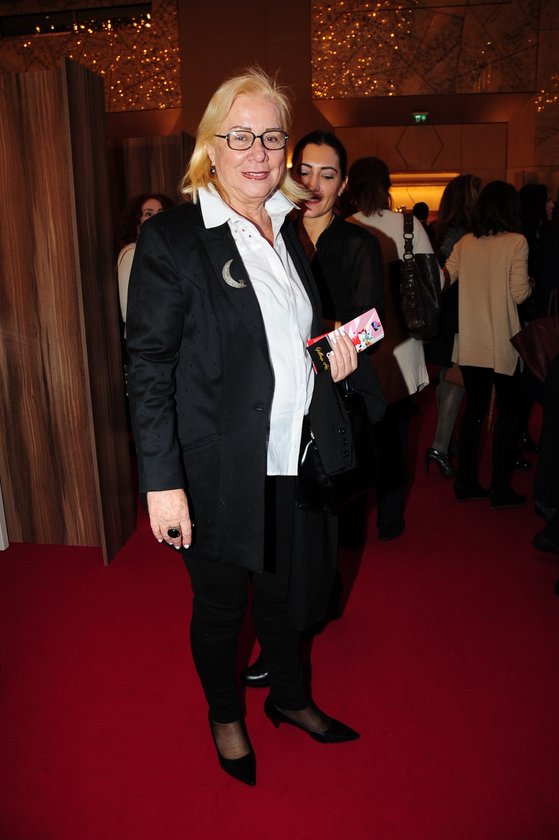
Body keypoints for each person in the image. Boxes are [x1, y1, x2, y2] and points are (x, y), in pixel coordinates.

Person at [126, 68, 361, 788]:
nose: (258, 152)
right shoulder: (173, 238)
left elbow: (282, 334)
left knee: (286, 597)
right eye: (240, 136)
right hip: (216, 468)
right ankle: (225, 715)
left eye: (271, 136)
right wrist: (162, 483)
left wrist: (326, 351)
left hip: (295, 453)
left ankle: (288, 697)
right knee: (224, 607)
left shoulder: (286, 228)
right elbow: (149, 367)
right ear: (210, 146)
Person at [242, 130, 386, 689]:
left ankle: (292, 640)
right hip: (269, 402)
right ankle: (282, 635)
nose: (313, 184)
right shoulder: (268, 233)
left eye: (328, 174)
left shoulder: (358, 244)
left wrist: (306, 344)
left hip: (327, 401)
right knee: (271, 527)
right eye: (303, 171)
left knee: (311, 525)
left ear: (344, 184)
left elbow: (367, 328)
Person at [345, 156, 442, 540]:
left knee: (355, 441)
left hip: (357, 353)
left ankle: (353, 525)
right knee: (396, 441)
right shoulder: (408, 226)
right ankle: (389, 521)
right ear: (387, 186)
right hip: (401, 352)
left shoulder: (343, 228)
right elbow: (434, 283)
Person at [444, 181, 533, 507]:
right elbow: (519, 294)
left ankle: (466, 481)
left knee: (474, 412)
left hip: (471, 341)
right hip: (502, 342)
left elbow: (444, 278)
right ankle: (499, 487)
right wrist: (533, 282)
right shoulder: (517, 242)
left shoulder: (466, 242)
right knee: (508, 415)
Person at [425, 174, 482, 477]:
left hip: (445, 314)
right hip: (458, 314)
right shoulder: (464, 235)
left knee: (448, 377)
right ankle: (440, 445)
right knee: (456, 380)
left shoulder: (442, 229)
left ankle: (444, 440)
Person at [116, 193, 175, 326]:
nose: (156, 217)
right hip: (147, 332)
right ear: (137, 222)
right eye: (148, 214)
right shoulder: (132, 253)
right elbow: (128, 310)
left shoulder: (167, 252)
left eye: (160, 212)